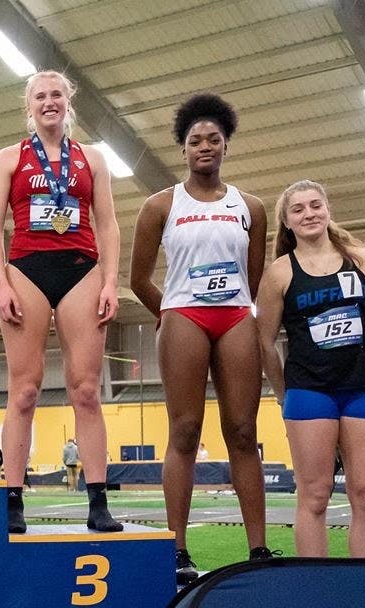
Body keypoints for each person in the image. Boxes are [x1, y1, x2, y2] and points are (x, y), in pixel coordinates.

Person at [130, 93, 270, 581]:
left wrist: (243, 316)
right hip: (184, 316)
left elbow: (255, 281)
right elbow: (139, 278)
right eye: (195, 140)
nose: (204, 146)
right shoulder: (159, 206)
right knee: (184, 431)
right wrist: (169, 314)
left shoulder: (250, 206)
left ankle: (258, 552)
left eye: (214, 139)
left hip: (234, 316)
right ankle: (177, 550)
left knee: (244, 432)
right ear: (183, 149)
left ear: (226, 145)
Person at [0, 70, 122, 535]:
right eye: (40, 96)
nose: (49, 102)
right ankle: (12, 500)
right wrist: (1, 283)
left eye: (56, 94)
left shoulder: (93, 158)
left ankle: (98, 501)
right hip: (27, 269)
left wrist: (109, 281)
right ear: (29, 105)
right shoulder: (8, 158)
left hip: (82, 268)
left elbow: (108, 224)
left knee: (86, 390)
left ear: (68, 101)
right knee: (24, 391)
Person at [257, 179, 365, 558]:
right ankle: (315, 589)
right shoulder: (279, 273)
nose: (309, 213)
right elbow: (265, 342)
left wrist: (351, 360)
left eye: (315, 205)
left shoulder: (364, 260)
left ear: (327, 209)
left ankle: (364, 590)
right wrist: (286, 394)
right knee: (314, 496)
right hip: (308, 393)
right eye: (298, 209)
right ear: (287, 221)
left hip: (363, 389)